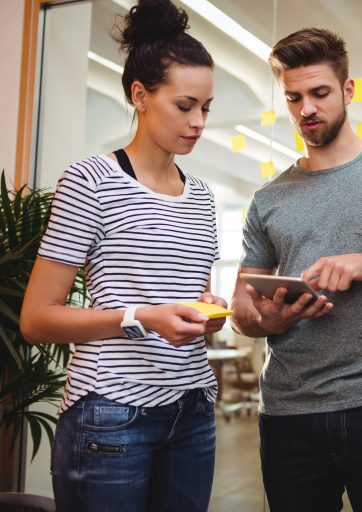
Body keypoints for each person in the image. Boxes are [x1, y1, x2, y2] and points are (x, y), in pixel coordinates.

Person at [19, 1, 226, 510]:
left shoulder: (202, 196)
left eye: (206, 107)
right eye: (185, 105)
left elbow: (188, 294)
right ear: (139, 95)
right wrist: (144, 318)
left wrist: (208, 311)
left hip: (192, 410)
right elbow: (37, 319)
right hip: (112, 413)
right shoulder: (91, 180)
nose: (198, 121)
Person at [230, 27, 362, 512]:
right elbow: (241, 308)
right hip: (288, 414)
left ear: (348, 90)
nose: (306, 109)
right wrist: (267, 320)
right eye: (294, 97)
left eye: (320, 93)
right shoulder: (268, 199)